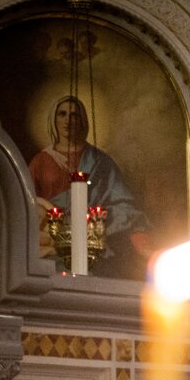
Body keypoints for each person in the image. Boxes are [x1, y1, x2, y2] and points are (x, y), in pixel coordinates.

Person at [28, 95, 151, 278]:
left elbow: (123, 204)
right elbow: (27, 203)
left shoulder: (100, 161)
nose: (68, 120)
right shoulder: (40, 161)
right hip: (51, 240)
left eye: (74, 115)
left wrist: (99, 220)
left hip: (92, 240)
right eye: (62, 114)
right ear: (53, 119)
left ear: (83, 120)